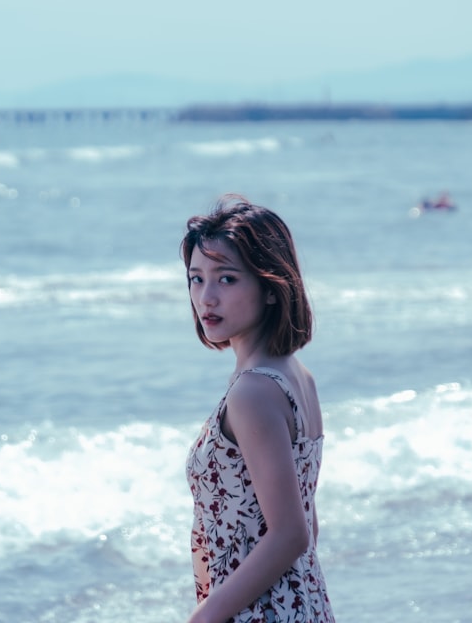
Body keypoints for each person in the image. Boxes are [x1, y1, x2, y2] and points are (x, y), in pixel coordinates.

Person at [182, 194, 335, 623]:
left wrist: (204, 617)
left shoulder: (252, 392)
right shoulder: (296, 377)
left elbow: (291, 534)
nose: (206, 297)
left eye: (227, 279)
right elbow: (308, 522)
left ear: (271, 288)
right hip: (301, 603)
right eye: (196, 279)